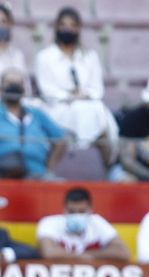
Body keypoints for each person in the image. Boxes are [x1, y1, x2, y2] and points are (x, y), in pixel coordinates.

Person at [33, 6, 117, 165]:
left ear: (78, 29)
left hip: (89, 104)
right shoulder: (44, 57)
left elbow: (97, 89)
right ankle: (82, 154)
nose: (68, 29)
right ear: (57, 27)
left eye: (72, 25)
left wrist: (84, 96)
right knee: (83, 111)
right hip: (58, 109)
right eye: (63, 25)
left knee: (98, 112)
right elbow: (48, 91)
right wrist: (71, 96)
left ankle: (106, 165)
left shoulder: (89, 56)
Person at [0, 68, 67, 179]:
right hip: (2, 176)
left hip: (37, 176)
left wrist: (48, 169)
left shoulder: (37, 113)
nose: (14, 86)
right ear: (0, 87)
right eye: (9, 83)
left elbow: (61, 140)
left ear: (24, 89)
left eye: (18, 83)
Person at [36, 185, 128, 262]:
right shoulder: (49, 223)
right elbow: (48, 252)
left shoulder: (97, 222)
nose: (76, 215)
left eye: (82, 211)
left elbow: (123, 253)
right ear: (64, 210)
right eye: (72, 212)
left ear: (90, 211)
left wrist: (85, 255)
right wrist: (81, 257)